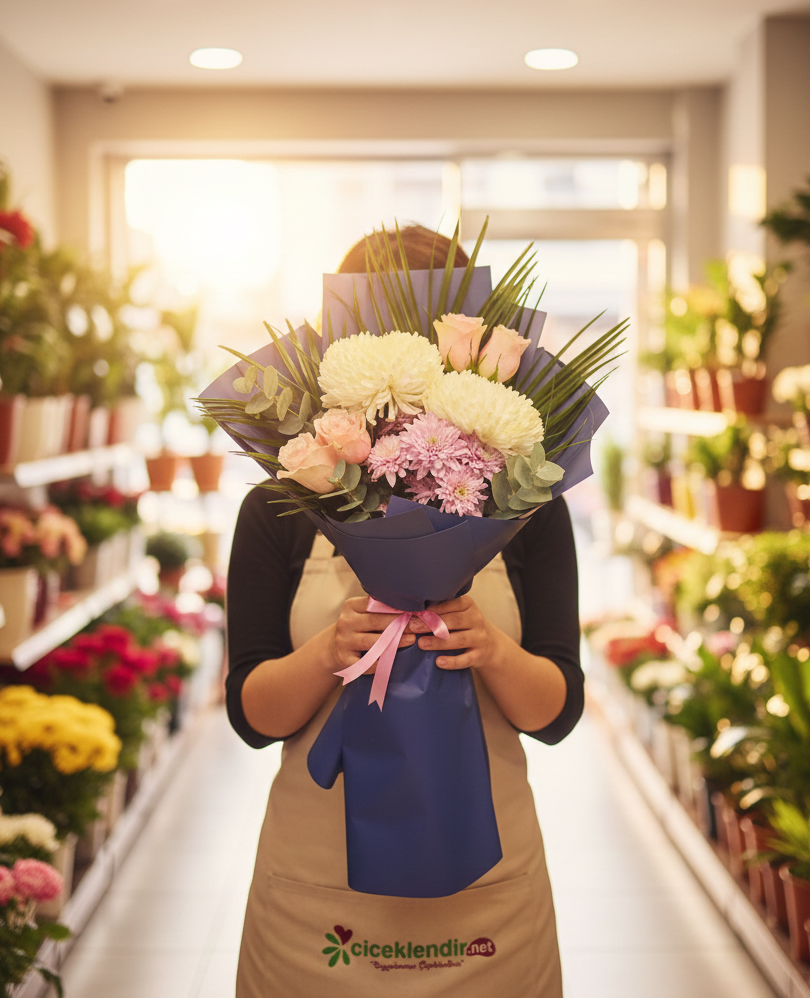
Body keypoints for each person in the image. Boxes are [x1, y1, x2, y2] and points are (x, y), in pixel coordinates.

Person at [225, 225, 583, 997]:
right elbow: (252, 717)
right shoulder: (282, 501)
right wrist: (329, 651)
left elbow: (556, 713)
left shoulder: (528, 502)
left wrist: (489, 647)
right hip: (318, 900)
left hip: (486, 898)